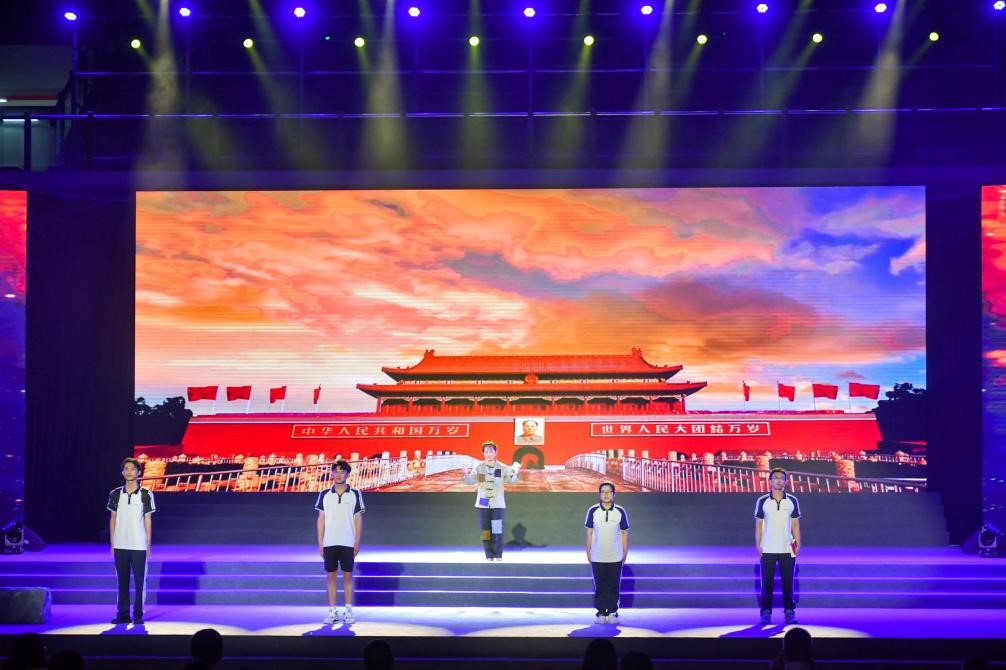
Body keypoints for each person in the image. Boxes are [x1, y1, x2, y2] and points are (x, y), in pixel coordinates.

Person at [107, 457, 156, 625]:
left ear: (138, 472)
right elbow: (113, 518)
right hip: (120, 544)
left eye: (132, 468)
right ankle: (123, 614)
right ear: (122, 472)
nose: (129, 471)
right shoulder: (115, 494)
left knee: (140, 581)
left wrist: (148, 544)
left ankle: (138, 614)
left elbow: (147, 519)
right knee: (122, 581)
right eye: (126, 469)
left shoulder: (146, 494)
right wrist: (112, 543)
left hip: (138, 545)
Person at [315, 459, 365, 625]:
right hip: (329, 542)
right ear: (332, 473)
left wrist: (357, 541)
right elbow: (321, 519)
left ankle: (348, 611)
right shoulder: (324, 494)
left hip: (348, 541)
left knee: (347, 576)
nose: (338, 475)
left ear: (348, 474)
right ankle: (332, 612)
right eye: (335, 471)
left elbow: (358, 519)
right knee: (330, 576)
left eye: (342, 472)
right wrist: (320, 543)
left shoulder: (355, 493)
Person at [755, 467, 802, 625]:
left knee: (788, 582)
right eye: (775, 477)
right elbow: (759, 525)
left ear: (786, 481)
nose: (778, 480)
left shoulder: (792, 500)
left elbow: (795, 524)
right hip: (768, 548)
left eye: (781, 478)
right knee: (766, 582)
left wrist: (798, 544)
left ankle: (789, 611)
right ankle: (766, 612)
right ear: (770, 481)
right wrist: (758, 546)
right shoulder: (763, 501)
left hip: (787, 548)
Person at [462, 441, 520, 560]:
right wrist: (466, 474)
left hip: (497, 503)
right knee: (485, 530)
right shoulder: (479, 467)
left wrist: (515, 473)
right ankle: (488, 555)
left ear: (495, 452)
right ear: (483, 453)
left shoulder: (502, 467)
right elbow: (470, 481)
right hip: (483, 502)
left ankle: (498, 554)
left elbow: (512, 481)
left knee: (497, 530)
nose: (489, 454)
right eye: (486, 452)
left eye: (491, 451)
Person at [584, 482, 629, 624]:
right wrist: (588, 551)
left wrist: (625, 552)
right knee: (600, 586)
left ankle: (613, 611)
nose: (606, 494)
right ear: (599, 494)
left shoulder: (620, 511)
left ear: (614, 494)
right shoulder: (593, 510)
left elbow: (624, 533)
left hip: (615, 555)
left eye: (609, 492)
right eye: (603, 492)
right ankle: (601, 611)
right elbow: (589, 533)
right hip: (597, 555)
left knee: (614, 585)